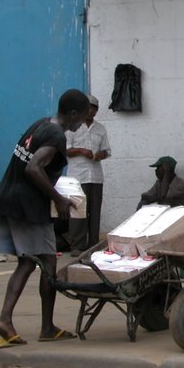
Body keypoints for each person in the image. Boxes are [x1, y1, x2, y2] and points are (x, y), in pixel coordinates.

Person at [0, 89, 89, 348]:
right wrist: (57, 198)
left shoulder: (41, 124)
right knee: (40, 262)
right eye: (82, 118)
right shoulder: (56, 135)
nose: (82, 124)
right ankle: (13, 320)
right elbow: (33, 167)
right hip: (27, 206)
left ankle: (41, 325)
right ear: (73, 114)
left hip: (8, 198)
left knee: (32, 261)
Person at [65, 95, 111, 253]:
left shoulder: (100, 128)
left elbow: (107, 150)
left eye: (93, 108)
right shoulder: (72, 127)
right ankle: (77, 246)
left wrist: (101, 154)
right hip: (78, 176)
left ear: (96, 110)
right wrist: (81, 150)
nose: (90, 110)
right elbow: (65, 150)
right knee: (78, 210)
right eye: (87, 107)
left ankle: (93, 244)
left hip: (96, 176)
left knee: (94, 211)